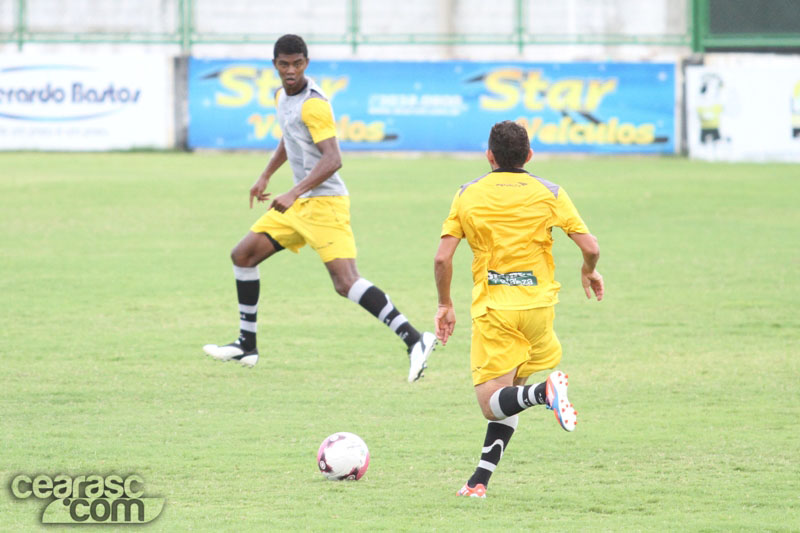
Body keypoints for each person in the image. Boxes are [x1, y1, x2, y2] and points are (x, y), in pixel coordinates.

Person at [203, 34, 436, 382]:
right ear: (275, 65)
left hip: (326, 204)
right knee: (243, 256)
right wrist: (266, 175)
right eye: (284, 64)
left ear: (306, 64)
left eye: (297, 64)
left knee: (346, 282)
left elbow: (333, 158)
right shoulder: (281, 96)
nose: (291, 70)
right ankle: (246, 345)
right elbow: (290, 137)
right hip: (300, 204)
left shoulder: (314, 104)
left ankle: (415, 339)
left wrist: (294, 191)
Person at [433, 120, 604, 497]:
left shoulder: (468, 194)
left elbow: (442, 258)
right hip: (539, 307)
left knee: (490, 404)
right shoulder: (550, 192)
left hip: (496, 309)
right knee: (510, 395)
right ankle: (478, 482)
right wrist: (589, 271)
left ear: (489, 155)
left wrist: (445, 303)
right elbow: (591, 247)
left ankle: (545, 393)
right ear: (529, 155)